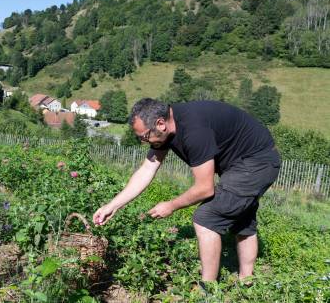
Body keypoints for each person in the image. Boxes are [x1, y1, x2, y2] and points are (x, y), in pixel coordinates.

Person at [92, 99, 281, 283]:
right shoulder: (165, 129)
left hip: (257, 162)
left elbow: (205, 189)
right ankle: (247, 281)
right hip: (246, 163)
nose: (143, 142)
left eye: (144, 136)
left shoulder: (193, 131)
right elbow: (146, 170)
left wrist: (171, 205)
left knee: (206, 218)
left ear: (160, 124)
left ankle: (207, 290)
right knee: (241, 219)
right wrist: (113, 205)